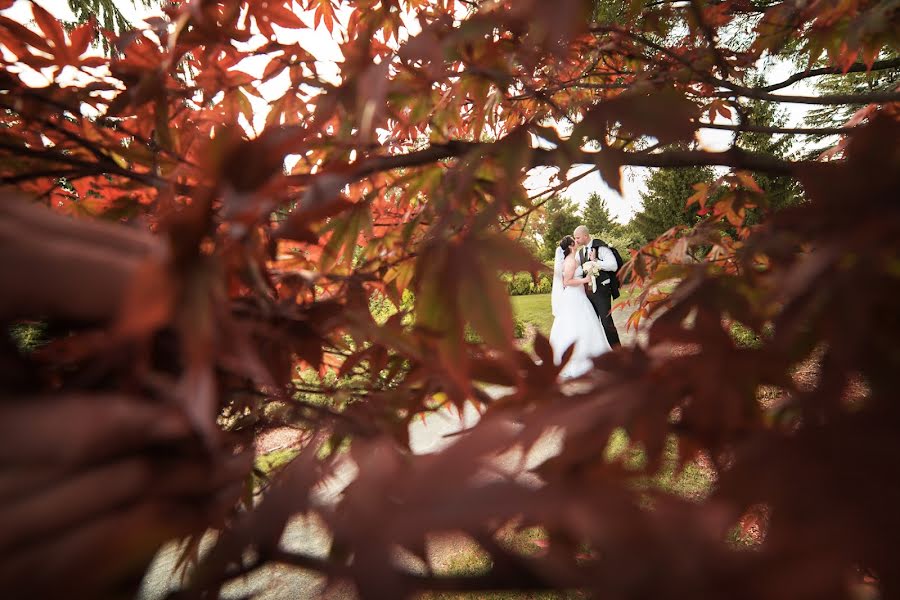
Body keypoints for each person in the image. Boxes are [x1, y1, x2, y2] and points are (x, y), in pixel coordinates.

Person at [549, 235, 612, 379]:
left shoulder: (572, 258)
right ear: (571, 246)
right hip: (574, 297)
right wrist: (585, 279)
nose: (576, 243)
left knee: (583, 323)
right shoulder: (570, 261)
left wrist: (591, 261)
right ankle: (581, 356)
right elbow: (566, 282)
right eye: (574, 241)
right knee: (579, 324)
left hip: (578, 295)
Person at [572, 225, 621, 347]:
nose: (576, 241)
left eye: (577, 238)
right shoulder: (580, 253)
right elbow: (576, 270)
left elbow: (613, 265)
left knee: (606, 323)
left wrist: (595, 262)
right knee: (592, 324)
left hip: (602, 292)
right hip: (587, 294)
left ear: (585, 236)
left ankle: (618, 353)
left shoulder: (601, 248)